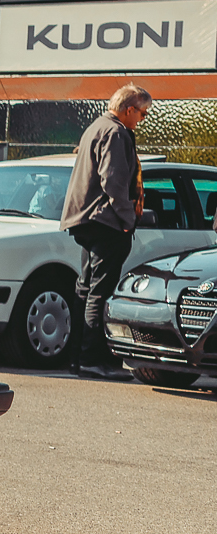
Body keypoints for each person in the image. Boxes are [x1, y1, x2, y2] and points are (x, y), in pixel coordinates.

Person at [61, 84, 152, 377]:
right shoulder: (115, 132)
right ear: (129, 110)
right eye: (143, 113)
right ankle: (92, 360)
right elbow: (113, 182)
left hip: (87, 220)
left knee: (86, 290)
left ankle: (77, 358)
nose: (142, 120)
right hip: (106, 222)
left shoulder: (96, 127)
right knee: (100, 292)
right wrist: (127, 220)